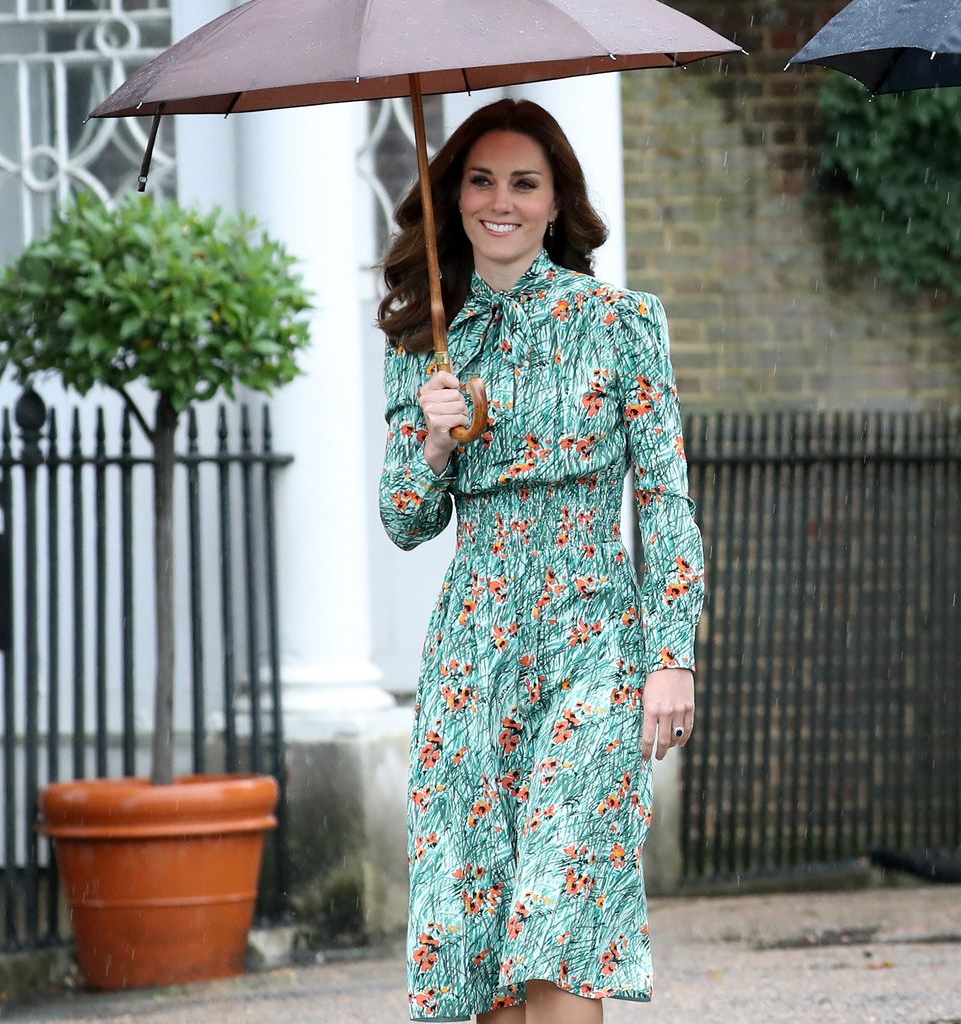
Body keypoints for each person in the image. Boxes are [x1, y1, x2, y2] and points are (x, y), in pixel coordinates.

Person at [377, 99, 704, 1024]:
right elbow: (405, 523)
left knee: (562, 921)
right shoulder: (424, 346)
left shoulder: (620, 322)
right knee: (473, 937)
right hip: (472, 656)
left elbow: (666, 502)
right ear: (455, 197)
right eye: (480, 180)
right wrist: (434, 445)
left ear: (557, 202)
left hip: (593, 645)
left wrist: (669, 655)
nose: (500, 202)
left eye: (524, 183)